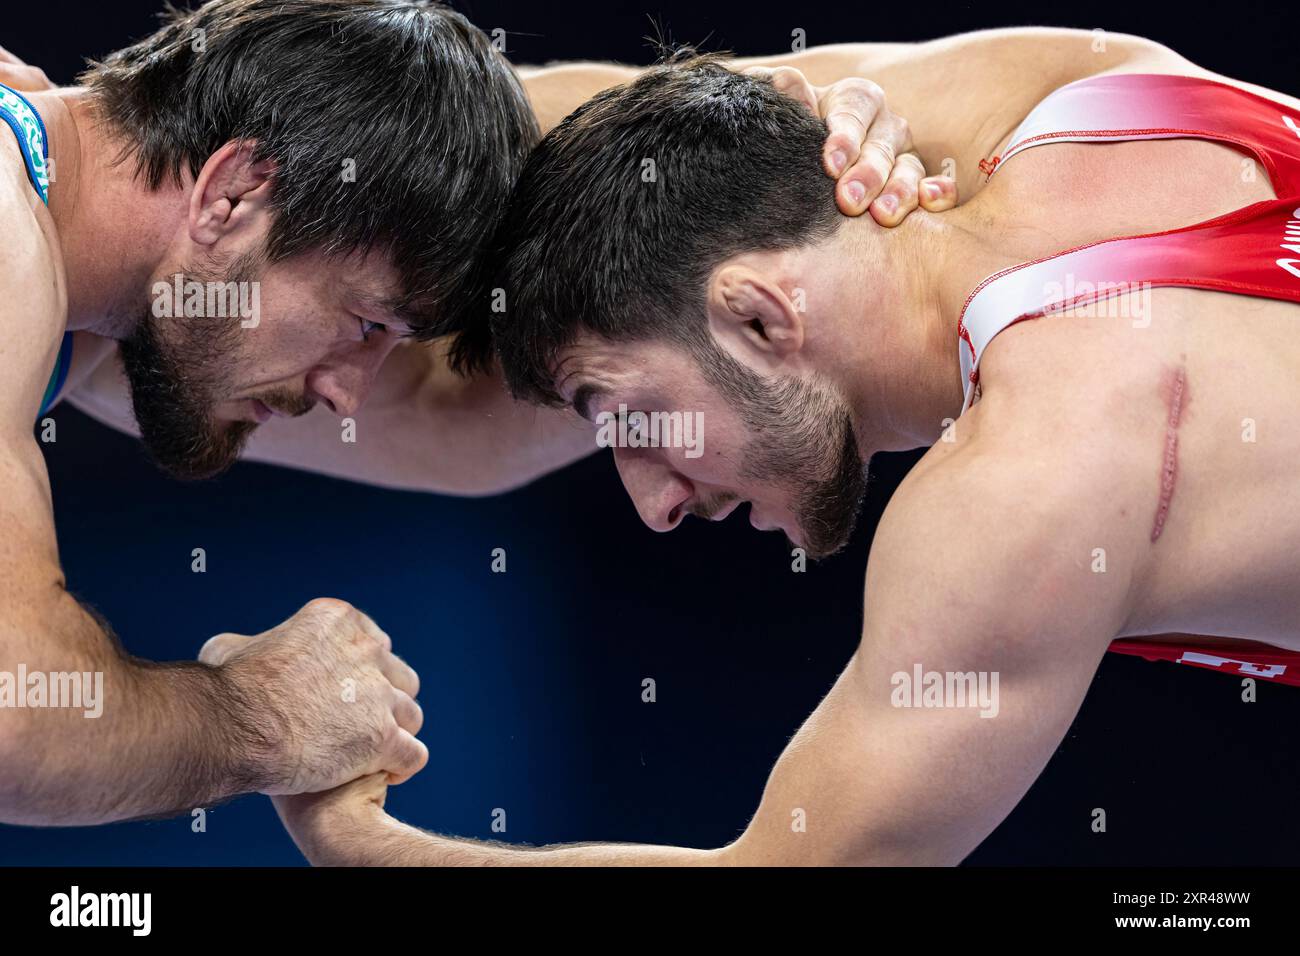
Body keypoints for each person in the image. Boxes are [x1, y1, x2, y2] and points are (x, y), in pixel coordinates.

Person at [271, 35, 1300, 864]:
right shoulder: (1099, 91)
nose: (653, 505)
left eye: (629, 419)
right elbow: (738, 112)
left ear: (760, 317)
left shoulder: (1021, 487)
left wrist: (350, 830)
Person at [0, 1, 931, 826]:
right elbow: (18, 723)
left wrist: (823, 141)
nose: (346, 395)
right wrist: (261, 716)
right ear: (236, 190)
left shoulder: (70, 238)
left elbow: (465, 409)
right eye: (362, 322)